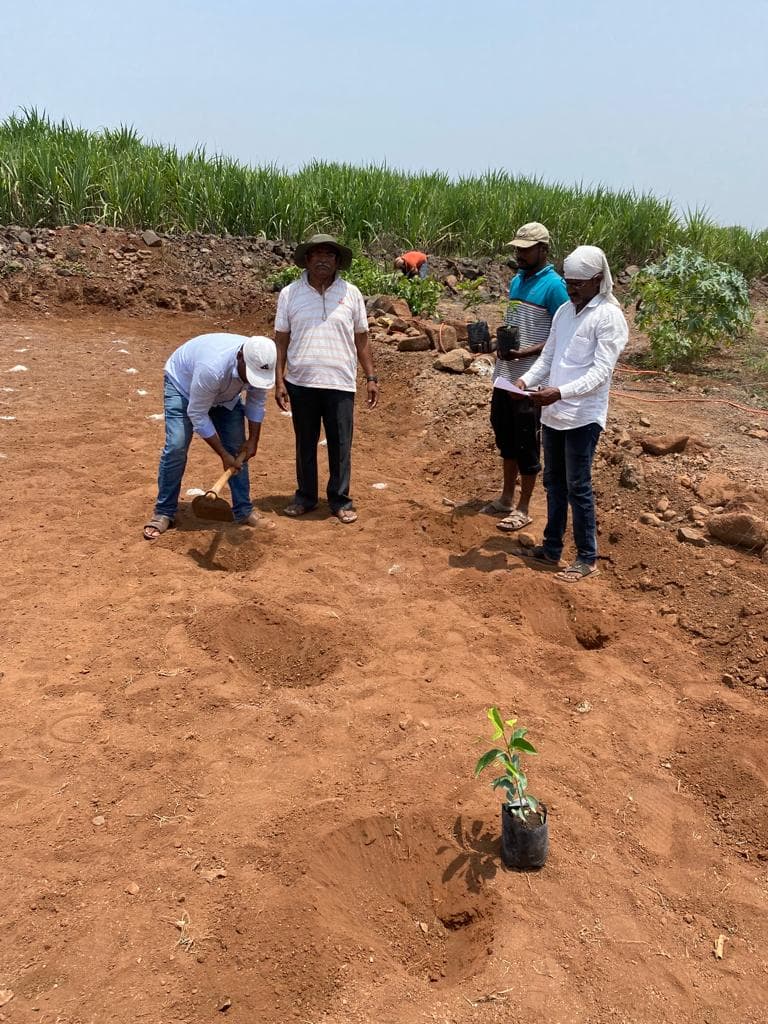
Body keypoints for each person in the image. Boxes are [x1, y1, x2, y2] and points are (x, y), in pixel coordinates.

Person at [513, 245, 628, 583]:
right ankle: (551, 548)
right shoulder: (564, 311)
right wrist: (525, 380)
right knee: (554, 482)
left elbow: (600, 373)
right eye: (568, 282)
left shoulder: (608, 317)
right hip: (553, 413)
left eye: (578, 283)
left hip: (582, 415)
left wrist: (559, 392)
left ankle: (586, 557)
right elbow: (549, 359)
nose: (572, 289)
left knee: (578, 485)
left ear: (597, 280)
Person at [273, 234, 379, 524]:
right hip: (301, 382)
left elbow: (362, 338)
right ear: (306, 260)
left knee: (340, 445)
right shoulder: (290, 294)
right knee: (305, 443)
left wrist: (371, 376)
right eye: (316, 254)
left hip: (340, 382)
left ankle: (340, 500)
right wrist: (279, 379)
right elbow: (281, 339)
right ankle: (306, 497)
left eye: (329, 255)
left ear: (337, 262)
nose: (323, 259)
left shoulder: (352, 293)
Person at [143, 334, 276, 540]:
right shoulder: (212, 367)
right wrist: (223, 454)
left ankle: (244, 510)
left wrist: (253, 441)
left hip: (226, 397)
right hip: (184, 388)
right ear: (240, 357)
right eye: (249, 374)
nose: (252, 380)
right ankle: (164, 511)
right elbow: (197, 413)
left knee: (238, 447)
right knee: (176, 446)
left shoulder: (261, 362)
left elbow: (256, 402)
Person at [487, 222, 569, 531]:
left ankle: (524, 507)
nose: (519, 254)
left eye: (526, 249)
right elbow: (515, 325)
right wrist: (497, 345)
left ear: (543, 249)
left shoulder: (555, 286)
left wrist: (522, 354)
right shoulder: (517, 280)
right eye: (517, 249)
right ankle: (506, 497)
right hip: (505, 375)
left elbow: (561, 335)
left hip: (531, 380)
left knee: (527, 442)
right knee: (505, 436)